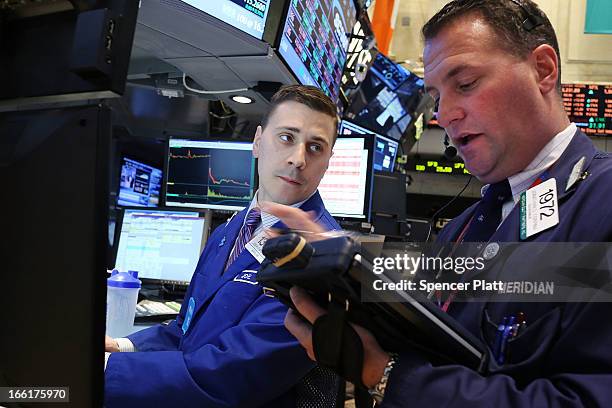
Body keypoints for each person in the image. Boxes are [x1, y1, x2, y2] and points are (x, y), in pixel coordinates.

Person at [278, 1, 612, 406]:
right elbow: (430, 342)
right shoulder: (462, 228)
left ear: (543, 70)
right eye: (435, 95)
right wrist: (346, 280)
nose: (445, 113)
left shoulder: (602, 202)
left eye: (466, 83)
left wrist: (386, 375)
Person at [104, 85, 341, 407]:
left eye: (315, 147)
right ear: (258, 141)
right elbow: (185, 329)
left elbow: (232, 376)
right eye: (286, 138)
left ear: (328, 161)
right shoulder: (231, 228)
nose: (298, 159)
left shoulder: (321, 255)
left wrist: (106, 371)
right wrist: (120, 347)